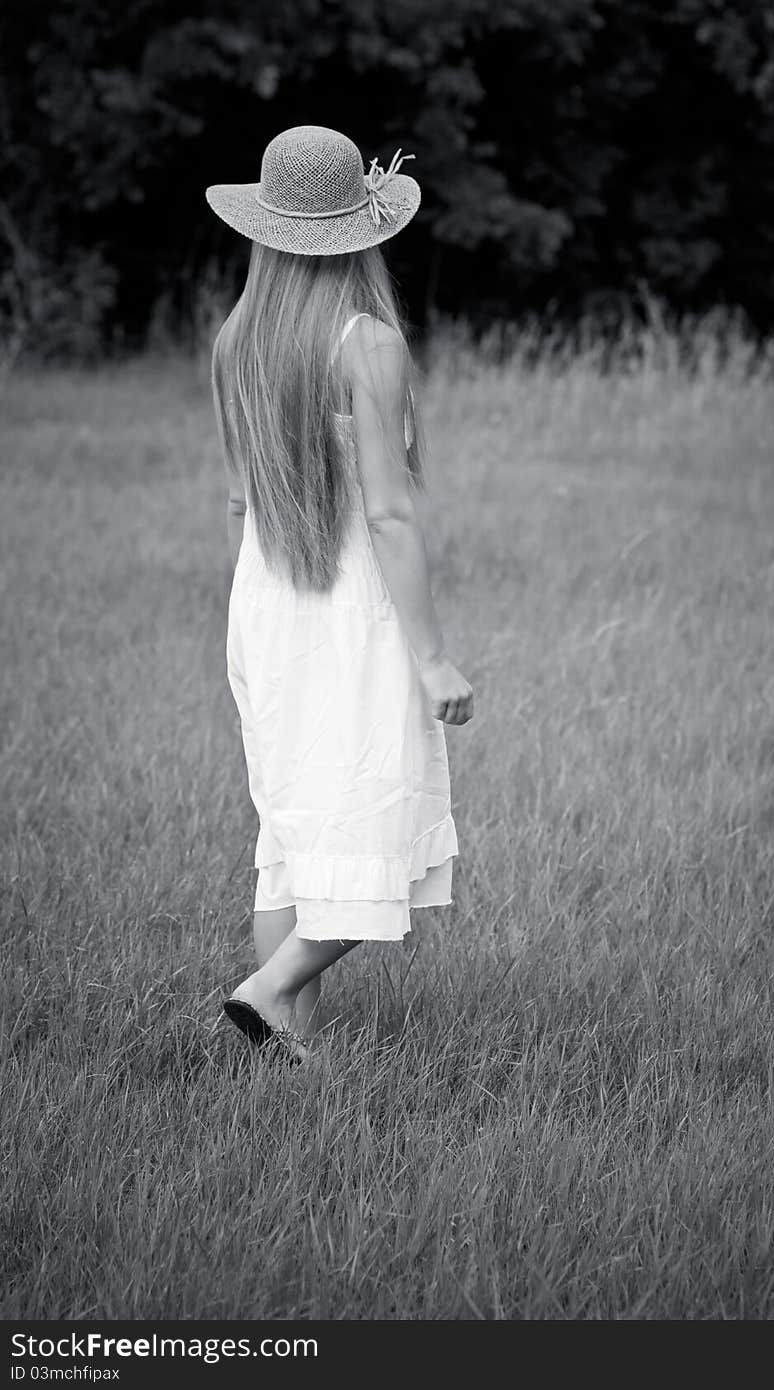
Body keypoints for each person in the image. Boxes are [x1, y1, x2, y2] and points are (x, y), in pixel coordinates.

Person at [205, 125, 472, 1059]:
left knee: (291, 834)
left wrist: (252, 620)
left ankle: (286, 1057)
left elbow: (241, 500)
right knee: (376, 828)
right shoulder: (369, 345)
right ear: (360, 232)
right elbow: (391, 517)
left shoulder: (236, 338)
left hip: (266, 603)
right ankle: (270, 991)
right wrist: (432, 656)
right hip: (348, 610)